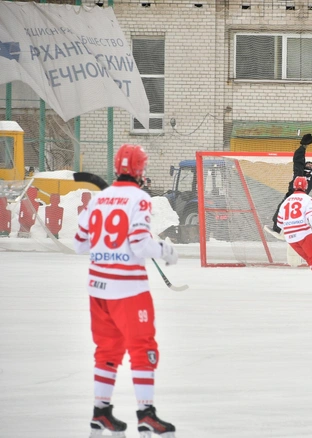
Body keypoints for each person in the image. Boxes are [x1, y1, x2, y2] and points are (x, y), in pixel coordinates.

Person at [74, 144, 178, 438]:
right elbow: (140, 245)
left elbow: (80, 243)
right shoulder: (140, 199)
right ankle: (146, 415)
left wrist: (107, 249)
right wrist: (166, 250)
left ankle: (101, 412)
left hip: (98, 287)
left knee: (107, 350)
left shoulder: (99, 198)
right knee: (143, 349)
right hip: (128, 290)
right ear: (139, 169)